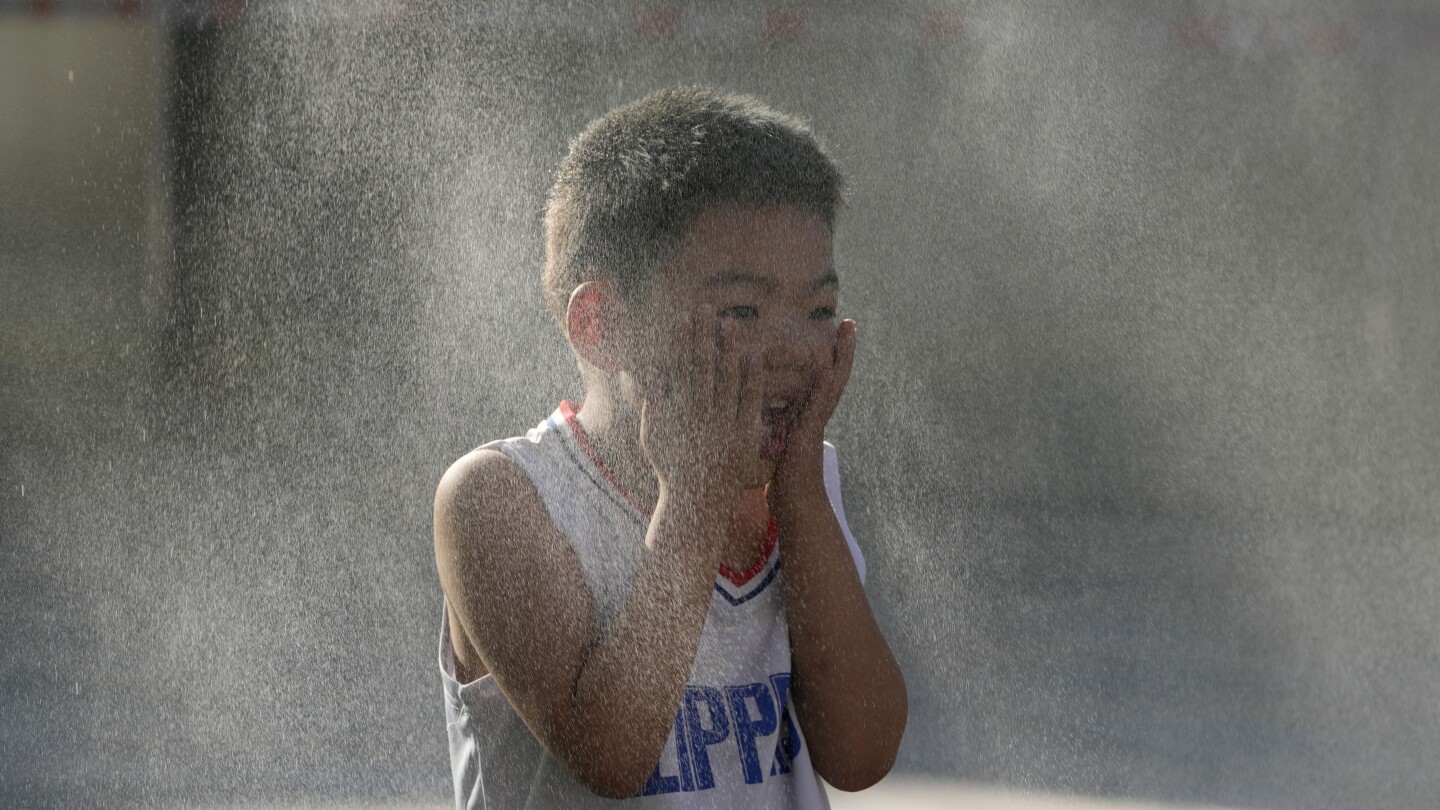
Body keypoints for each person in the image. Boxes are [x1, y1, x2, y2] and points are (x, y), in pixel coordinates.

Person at [433, 86, 907, 808]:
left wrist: (803, 494)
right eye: (743, 310)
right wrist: (692, 499)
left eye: (819, 310)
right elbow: (613, 754)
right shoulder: (502, 499)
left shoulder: (801, 489)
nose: (793, 351)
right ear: (600, 325)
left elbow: (862, 753)